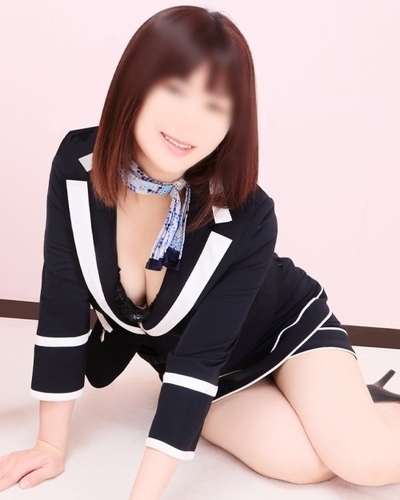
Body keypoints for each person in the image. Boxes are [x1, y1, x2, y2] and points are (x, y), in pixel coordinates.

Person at [1, 5, 400, 499]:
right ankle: (359, 404)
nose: (190, 122)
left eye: (215, 105)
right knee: (301, 463)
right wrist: (49, 444)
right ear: (135, 84)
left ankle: (358, 409)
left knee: (358, 459)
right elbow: (62, 303)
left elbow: (199, 356)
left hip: (284, 331)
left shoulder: (248, 216)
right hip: (215, 372)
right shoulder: (77, 167)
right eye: (175, 89)